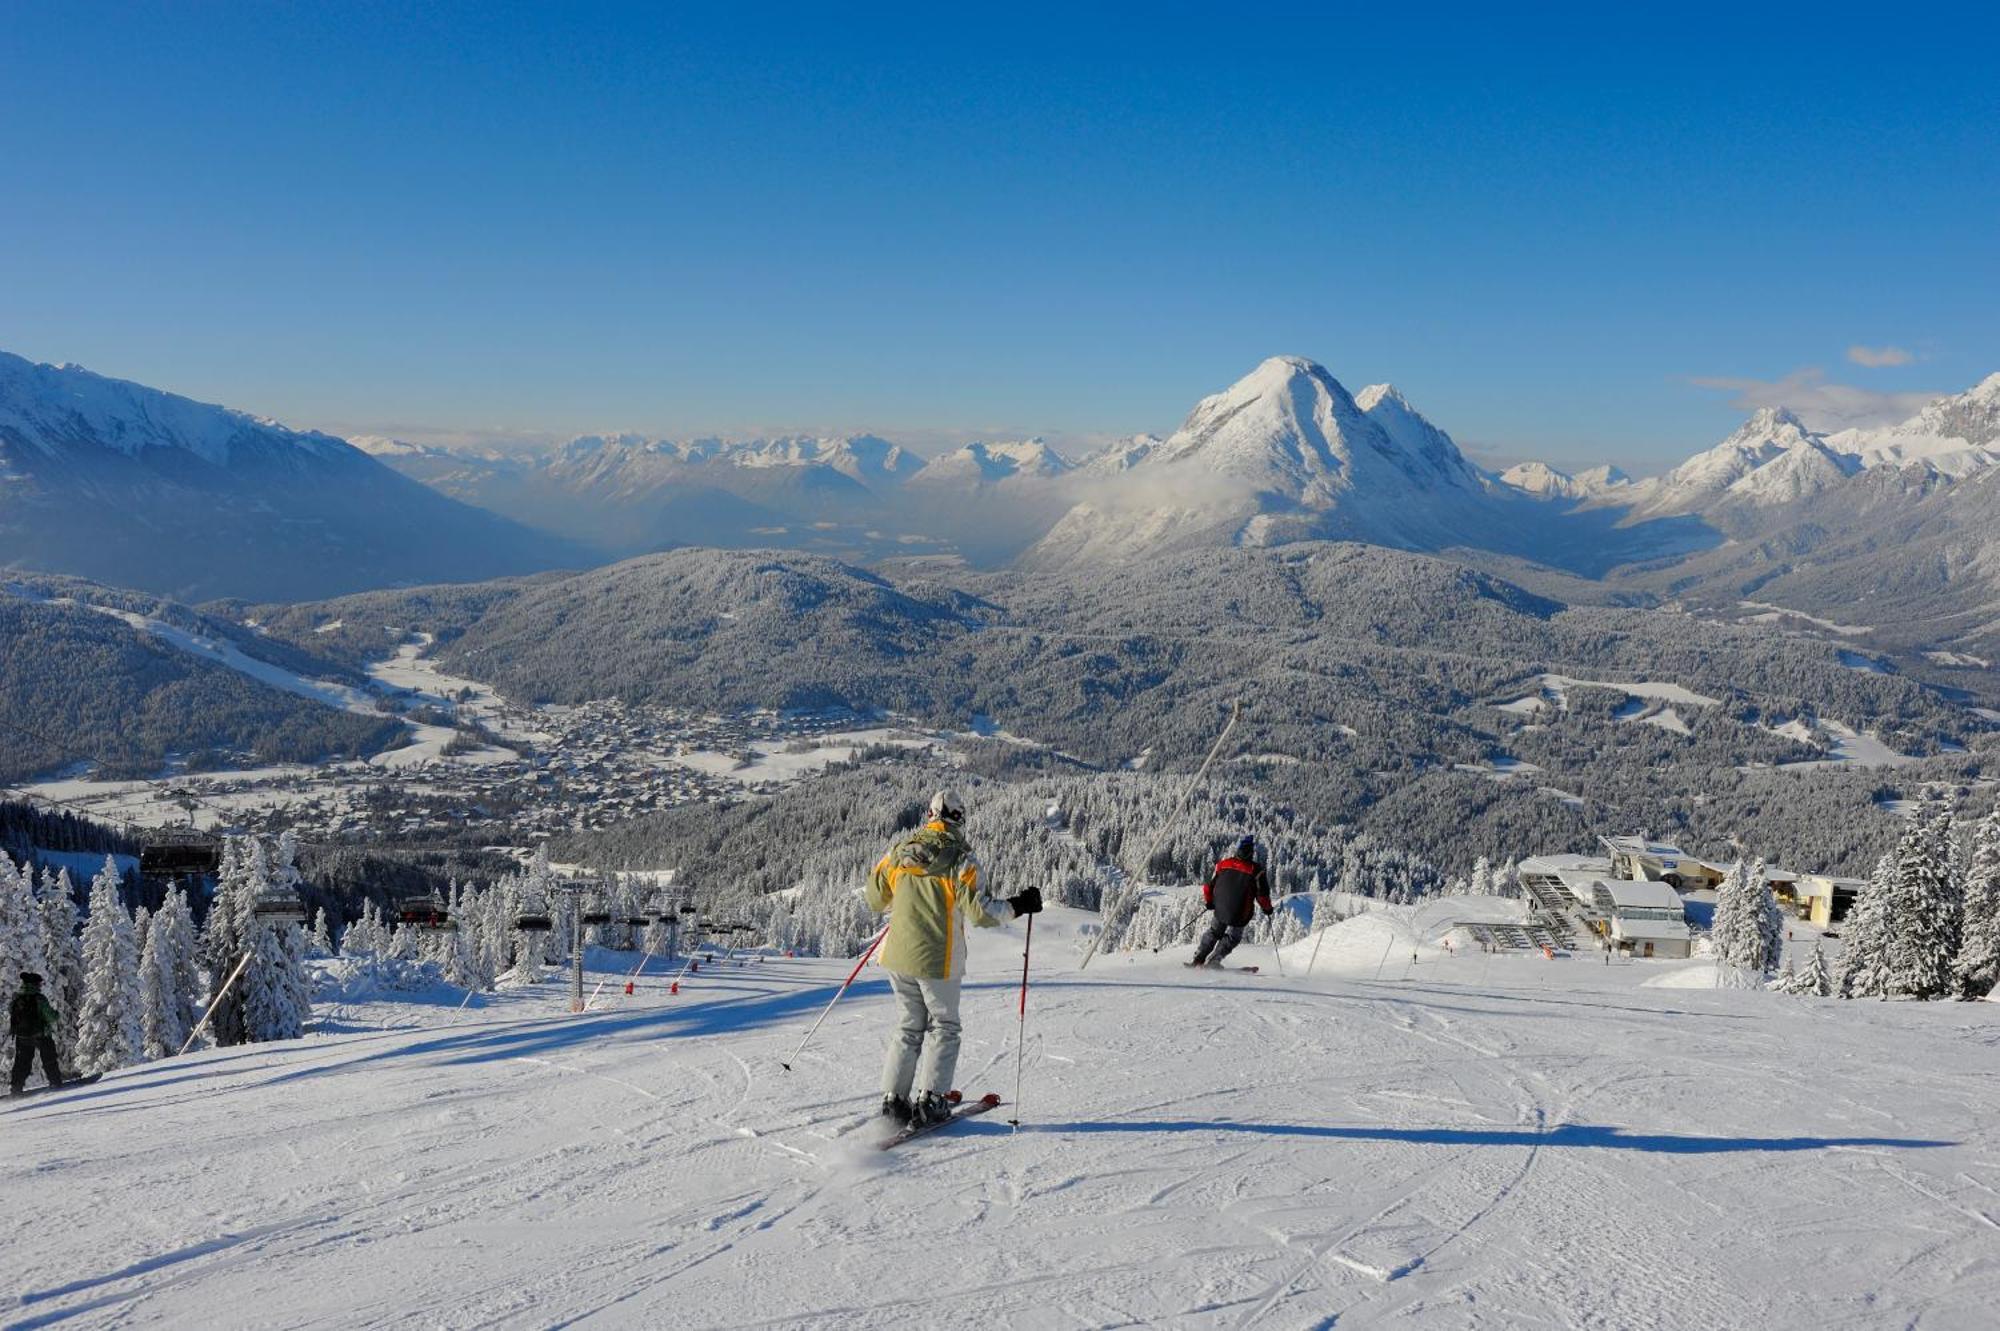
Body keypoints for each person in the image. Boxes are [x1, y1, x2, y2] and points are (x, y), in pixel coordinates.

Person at [866, 789, 1042, 1129]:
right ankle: (931, 1101)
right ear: (959, 818)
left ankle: (894, 1099)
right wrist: (1020, 905)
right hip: (937, 959)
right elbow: (982, 914)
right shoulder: (962, 859)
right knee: (944, 1027)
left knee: (908, 1026)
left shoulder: (899, 852)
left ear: (930, 815)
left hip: (897, 955)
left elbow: (875, 898)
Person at [1191, 835, 1273, 969]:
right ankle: (1214, 960)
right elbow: (1262, 895)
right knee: (1233, 937)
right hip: (1240, 913)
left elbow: (1208, 886)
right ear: (1251, 853)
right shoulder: (1256, 871)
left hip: (1220, 909)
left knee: (1214, 932)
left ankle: (1198, 958)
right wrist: (1267, 909)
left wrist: (1209, 901)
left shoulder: (1223, 864)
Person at [9, 972, 65, 1097]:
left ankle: (16, 1089)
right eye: (39, 983)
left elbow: (11, 1013)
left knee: (21, 1063)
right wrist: (56, 1014)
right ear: (34, 984)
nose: (40, 986)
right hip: (41, 1035)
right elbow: (51, 1017)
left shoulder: (16, 999)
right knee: (49, 1059)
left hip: (22, 1036)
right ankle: (55, 1082)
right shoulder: (39, 998)